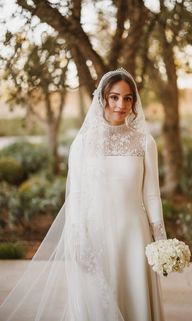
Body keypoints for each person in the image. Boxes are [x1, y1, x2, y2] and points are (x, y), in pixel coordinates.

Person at [0, 68, 167, 321]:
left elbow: (152, 195)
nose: (121, 104)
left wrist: (161, 241)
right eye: (114, 97)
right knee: (98, 306)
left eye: (128, 98)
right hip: (95, 234)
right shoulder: (83, 143)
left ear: (134, 101)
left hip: (134, 235)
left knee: (136, 301)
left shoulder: (144, 142)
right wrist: (77, 237)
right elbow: (76, 194)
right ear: (102, 98)